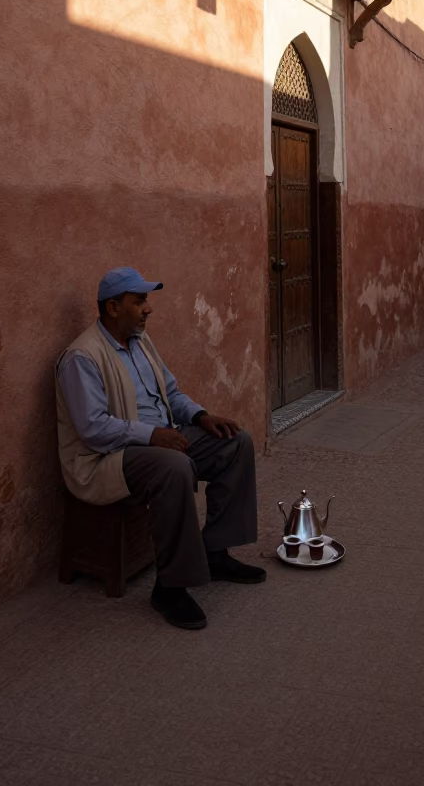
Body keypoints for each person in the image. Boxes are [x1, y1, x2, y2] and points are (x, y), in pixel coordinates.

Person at [56, 267, 265, 630]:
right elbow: (93, 429)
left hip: (159, 439)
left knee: (234, 442)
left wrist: (201, 416)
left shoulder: (140, 342)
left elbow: (172, 393)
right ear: (112, 308)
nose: (148, 308)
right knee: (174, 467)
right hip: (104, 459)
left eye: (146, 300)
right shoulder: (82, 357)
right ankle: (170, 587)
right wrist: (152, 436)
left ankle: (215, 552)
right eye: (139, 301)